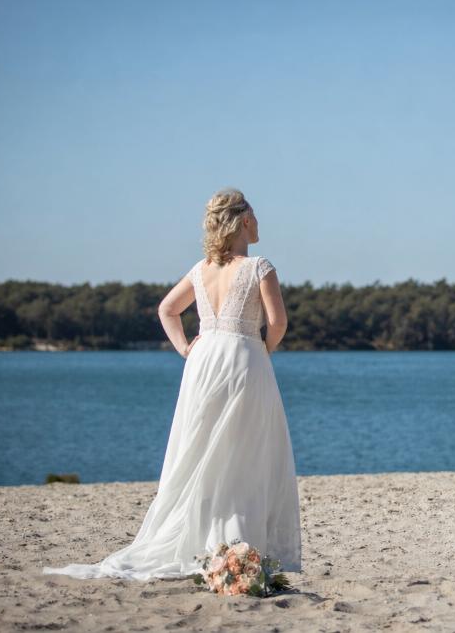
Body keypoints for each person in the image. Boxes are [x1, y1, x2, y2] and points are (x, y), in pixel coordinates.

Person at [42, 188, 302, 580]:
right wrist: (262, 350)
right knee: (243, 453)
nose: (261, 222)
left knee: (198, 452)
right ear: (244, 221)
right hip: (243, 359)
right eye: (257, 216)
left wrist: (185, 348)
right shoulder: (259, 267)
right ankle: (234, 544)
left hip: (203, 362)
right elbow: (278, 322)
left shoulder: (200, 270)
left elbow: (167, 309)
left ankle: (208, 542)